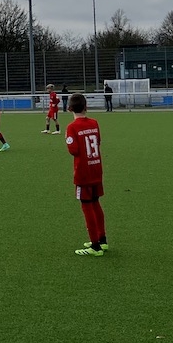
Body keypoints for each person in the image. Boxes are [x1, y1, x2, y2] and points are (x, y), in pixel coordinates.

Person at [65, 92, 108, 256]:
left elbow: (73, 150)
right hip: (96, 168)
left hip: (83, 172)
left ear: (69, 109)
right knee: (96, 203)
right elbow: (98, 142)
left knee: (86, 206)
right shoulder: (94, 123)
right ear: (86, 107)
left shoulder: (71, 127)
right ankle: (102, 240)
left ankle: (95, 246)